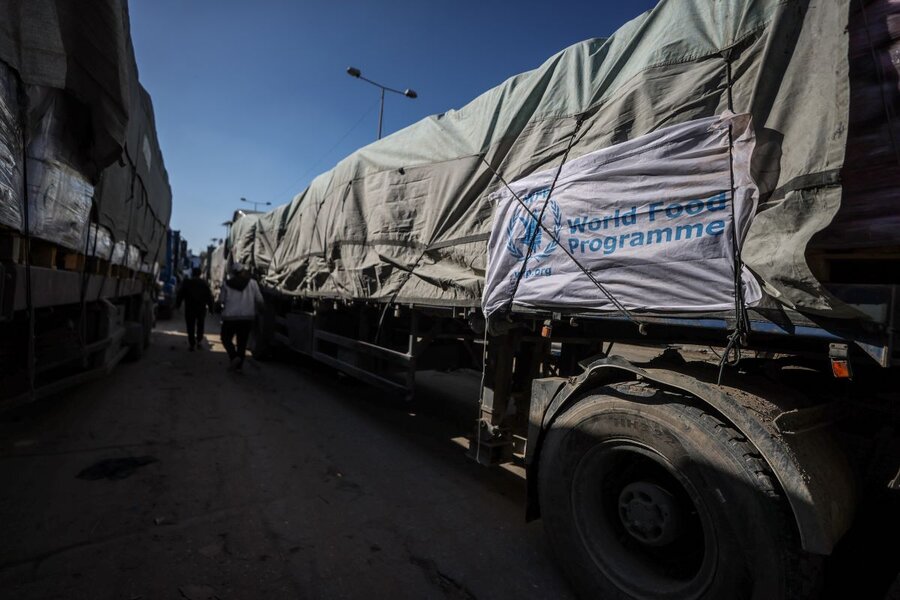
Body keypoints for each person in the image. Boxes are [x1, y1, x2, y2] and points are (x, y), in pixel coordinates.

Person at [218, 263, 264, 371]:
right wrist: (261, 310)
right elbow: (259, 300)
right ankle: (239, 366)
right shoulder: (253, 283)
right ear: (243, 272)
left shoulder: (226, 284)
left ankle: (234, 357)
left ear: (233, 273)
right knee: (242, 342)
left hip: (230, 318)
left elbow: (221, 300)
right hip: (247, 318)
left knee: (225, 338)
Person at [175, 267, 215, 351]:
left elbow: (180, 294)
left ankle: (192, 343)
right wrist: (211, 309)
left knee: (190, 326)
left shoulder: (187, 282)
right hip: (201, 308)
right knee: (200, 324)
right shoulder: (204, 283)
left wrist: (177, 305)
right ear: (200, 274)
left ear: (192, 273)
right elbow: (209, 297)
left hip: (189, 308)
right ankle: (199, 340)